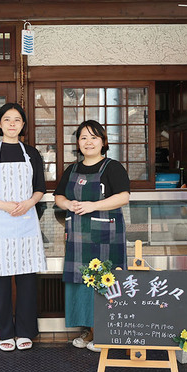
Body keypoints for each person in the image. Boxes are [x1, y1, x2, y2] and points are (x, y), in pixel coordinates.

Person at [0, 102, 47, 352]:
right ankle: (5, 332)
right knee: (2, 281)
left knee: (27, 280)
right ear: (0, 124)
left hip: (26, 221)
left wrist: (28, 203)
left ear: (23, 124)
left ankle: (25, 331)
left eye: (17, 120)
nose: (12, 124)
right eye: (7, 119)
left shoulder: (32, 154)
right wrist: (5, 206)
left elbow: (40, 188)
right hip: (0, 222)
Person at [54, 120, 130, 351]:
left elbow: (123, 197)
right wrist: (69, 204)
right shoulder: (72, 170)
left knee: (105, 282)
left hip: (106, 238)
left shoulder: (113, 167)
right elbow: (58, 197)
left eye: (94, 137)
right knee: (81, 283)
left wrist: (93, 206)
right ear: (78, 142)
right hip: (78, 236)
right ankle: (89, 331)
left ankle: (105, 333)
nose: (89, 142)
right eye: (84, 137)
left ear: (103, 142)